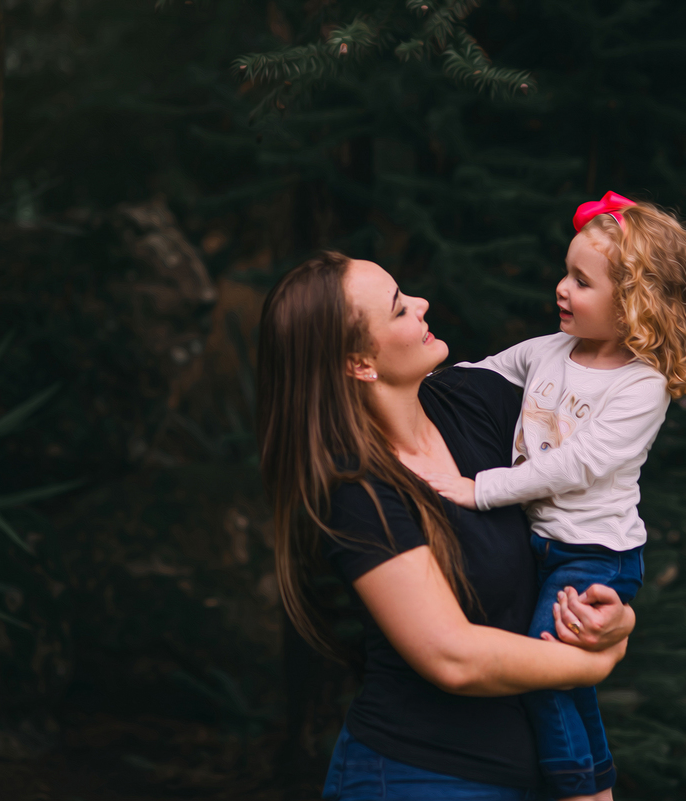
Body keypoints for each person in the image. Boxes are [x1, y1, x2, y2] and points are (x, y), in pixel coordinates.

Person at [256, 251, 635, 801]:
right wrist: (591, 661)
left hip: (535, 774)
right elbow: (451, 656)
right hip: (417, 776)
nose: (422, 303)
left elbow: (591, 505)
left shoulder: (476, 404)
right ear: (360, 362)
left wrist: (614, 613)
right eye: (398, 309)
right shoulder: (354, 490)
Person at [422, 192, 686, 799]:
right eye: (565, 273)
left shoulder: (640, 386)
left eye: (581, 281)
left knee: (546, 675)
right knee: (568, 682)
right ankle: (601, 785)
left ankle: (579, 791)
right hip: (545, 544)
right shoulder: (550, 350)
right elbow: (479, 375)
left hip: (594, 553)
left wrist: (480, 490)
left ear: (633, 304)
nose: (561, 289)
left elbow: (576, 465)